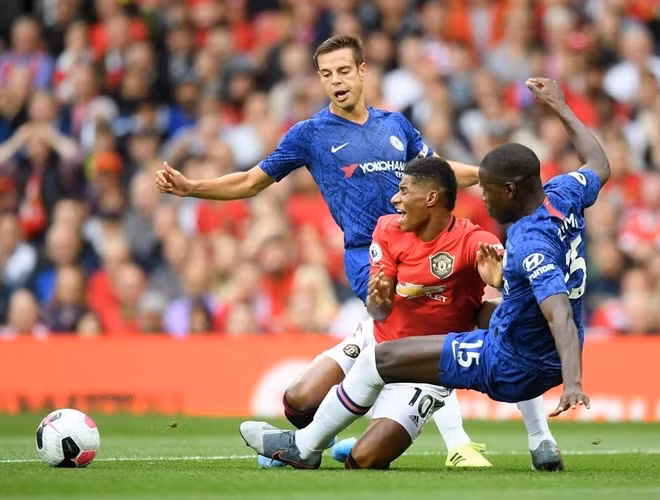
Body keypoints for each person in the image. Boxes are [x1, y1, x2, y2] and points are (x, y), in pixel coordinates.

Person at [156, 35, 555, 468]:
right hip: (370, 256)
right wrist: (193, 188)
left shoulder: (396, 125)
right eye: (326, 74)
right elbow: (252, 181)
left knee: (475, 319)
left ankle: (502, 437)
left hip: (427, 246)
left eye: (344, 71)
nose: (336, 81)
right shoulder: (310, 134)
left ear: (363, 71)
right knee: (308, 397)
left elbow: (438, 174)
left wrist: (489, 176)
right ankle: (432, 431)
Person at [238, 77, 610, 470]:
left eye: (487, 190)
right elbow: (599, 165)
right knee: (313, 408)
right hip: (395, 332)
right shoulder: (564, 193)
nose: (482, 198)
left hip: (492, 358)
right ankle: (535, 444)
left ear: (510, 191)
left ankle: (305, 448)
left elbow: (553, 310)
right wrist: (560, 105)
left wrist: (573, 381)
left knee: (375, 412)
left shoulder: (502, 241)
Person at [320, 156, 504, 470]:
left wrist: (501, 283)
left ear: (430, 198)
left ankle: (533, 439)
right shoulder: (388, 228)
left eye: (403, 191)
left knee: (362, 459)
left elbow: (512, 292)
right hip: (382, 334)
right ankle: (305, 444)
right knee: (298, 401)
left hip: (428, 346)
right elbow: (378, 309)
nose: (394, 199)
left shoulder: (473, 240)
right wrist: (378, 301)